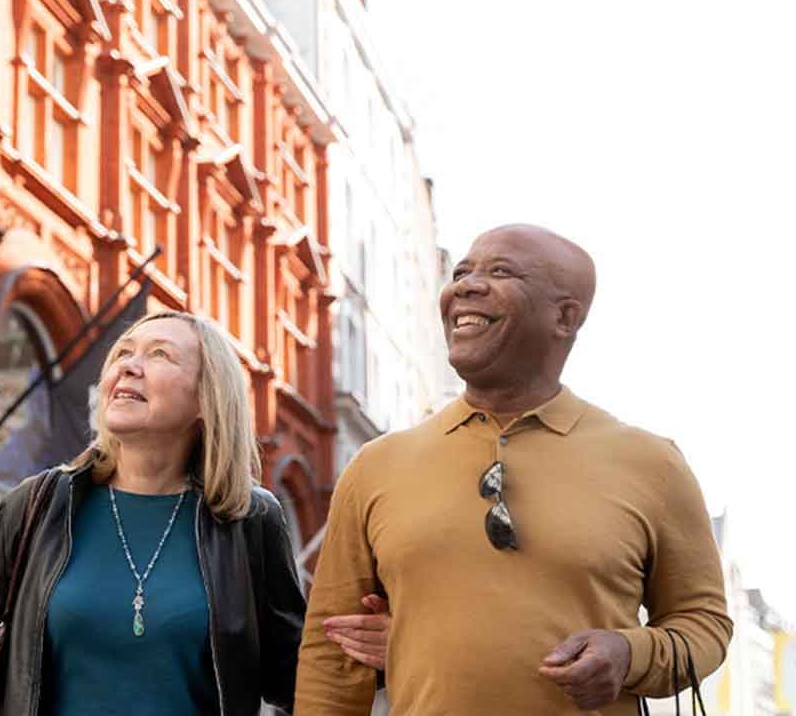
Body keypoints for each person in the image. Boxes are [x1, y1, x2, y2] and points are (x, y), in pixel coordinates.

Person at [296, 224, 733, 715]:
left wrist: (630, 653)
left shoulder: (654, 464)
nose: (465, 285)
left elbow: (704, 623)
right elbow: (330, 660)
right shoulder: (376, 465)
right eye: (462, 272)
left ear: (564, 317)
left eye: (500, 272)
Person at [0, 311, 309, 715]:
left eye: (159, 354)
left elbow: (298, 678)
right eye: (123, 353)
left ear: (206, 396)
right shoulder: (38, 505)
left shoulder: (248, 519)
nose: (129, 366)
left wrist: (372, 651)